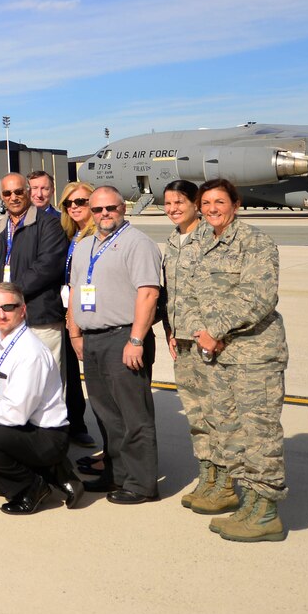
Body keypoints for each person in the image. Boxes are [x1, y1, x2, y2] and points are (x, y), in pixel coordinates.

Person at [183, 179, 290, 543]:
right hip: (220, 356)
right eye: (207, 202)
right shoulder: (202, 244)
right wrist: (200, 333)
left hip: (254, 355)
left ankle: (266, 513)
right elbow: (195, 294)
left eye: (220, 202)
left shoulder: (254, 242)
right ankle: (248, 503)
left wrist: (214, 330)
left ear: (236, 204)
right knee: (231, 431)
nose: (212, 208)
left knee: (258, 433)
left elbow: (258, 296)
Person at [65, 186, 164, 504]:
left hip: (124, 337)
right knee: (106, 413)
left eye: (111, 208)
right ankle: (117, 474)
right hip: (92, 339)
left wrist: (136, 340)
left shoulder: (138, 244)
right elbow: (75, 291)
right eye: (97, 209)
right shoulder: (85, 246)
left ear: (123, 208)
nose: (104, 214)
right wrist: (75, 334)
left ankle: (142, 484)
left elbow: (148, 294)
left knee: (134, 415)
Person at [0, 283, 81, 514]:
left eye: (8, 307)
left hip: (45, 435)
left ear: (23, 310)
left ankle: (31, 488)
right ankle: (52, 473)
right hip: (19, 429)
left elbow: (16, 413)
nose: (0, 314)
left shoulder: (30, 352)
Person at [160, 180, 222, 511]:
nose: (173, 208)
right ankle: (207, 476)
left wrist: (213, 332)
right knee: (196, 412)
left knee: (216, 412)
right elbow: (170, 292)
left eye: (179, 202)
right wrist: (171, 329)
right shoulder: (172, 241)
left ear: (195, 203)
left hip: (207, 340)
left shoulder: (210, 237)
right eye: (168, 203)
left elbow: (219, 290)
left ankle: (224, 482)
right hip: (181, 341)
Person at [0, 173, 69, 386]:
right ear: (2, 197)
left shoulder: (49, 224)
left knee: (48, 383)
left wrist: (7, 297)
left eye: (19, 191)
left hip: (40, 318)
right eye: (7, 193)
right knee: (14, 383)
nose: (14, 197)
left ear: (28, 192)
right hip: (6, 320)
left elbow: (46, 267)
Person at [55, 180, 98, 446]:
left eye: (81, 201)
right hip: (67, 311)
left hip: (90, 315)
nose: (74, 207)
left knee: (96, 382)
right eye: (69, 203)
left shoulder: (97, 236)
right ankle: (72, 423)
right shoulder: (69, 235)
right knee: (69, 372)